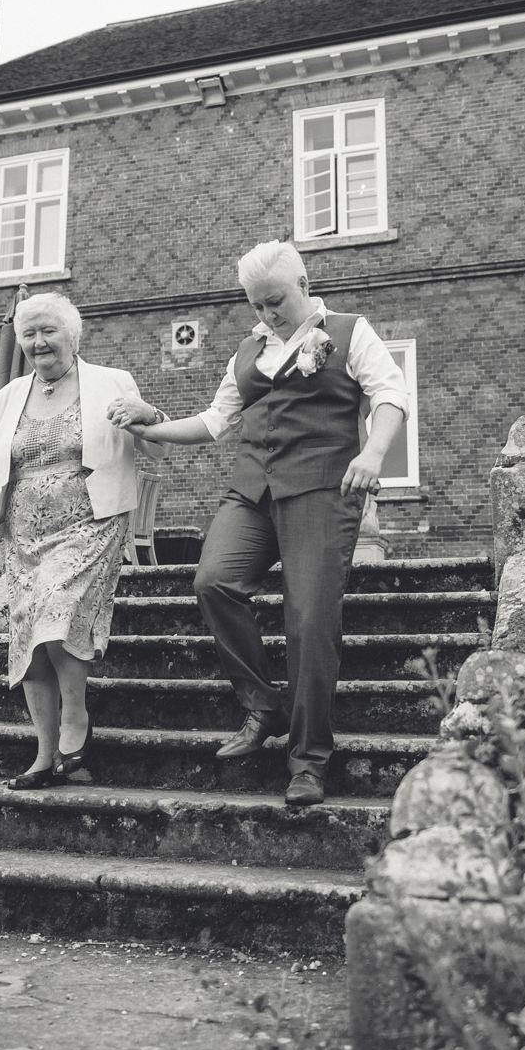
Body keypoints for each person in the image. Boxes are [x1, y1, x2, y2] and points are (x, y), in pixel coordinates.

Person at [112, 241, 406, 808]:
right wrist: (149, 428)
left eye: (275, 302)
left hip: (323, 490)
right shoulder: (249, 350)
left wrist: (374, 455)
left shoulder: (349, 331)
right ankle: (262, 704)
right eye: (258, 306)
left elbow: (390, 394)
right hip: (253, 491)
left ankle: (309, 759)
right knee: (212, 580)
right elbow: (214, 421)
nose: (268, 315)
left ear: (302, 282)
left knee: (309, 619)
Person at [0, 293, 160, 790]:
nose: (38, 342)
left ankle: (75, 718)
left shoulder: (111, 382)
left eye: (48, 331)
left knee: (57, 611)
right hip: (23, 532)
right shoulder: (7, 395)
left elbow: (153, 447)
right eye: (29, 334)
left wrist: (150, 414)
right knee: (27, 637)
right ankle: (43, 754)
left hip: (90, 521)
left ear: (72, 336)